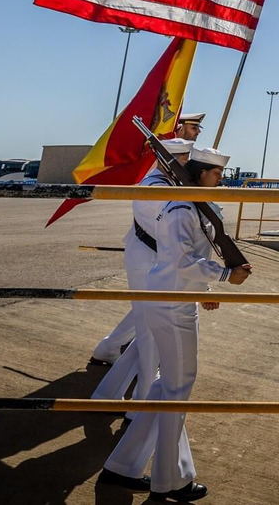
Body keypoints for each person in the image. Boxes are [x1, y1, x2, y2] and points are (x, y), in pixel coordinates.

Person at [100, 146, 251, 501]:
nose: (221, 180)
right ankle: (170, 482)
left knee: (166, 385)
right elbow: (184, 261)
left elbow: (183, 259)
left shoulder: (184, 203)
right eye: (216, 174)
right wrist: (226, 275)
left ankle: (122, 466)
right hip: (173, 303)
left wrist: (204, 286)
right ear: (199, 174)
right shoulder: (183, 208)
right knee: (178, 389)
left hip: (169, 297)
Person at [89, 111, 205, 387]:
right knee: (149, 326)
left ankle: (112, 356)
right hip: (148, 251)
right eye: (193, 127)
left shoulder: (173, 178)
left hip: (158, 256)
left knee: (149, 318)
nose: (198, 132)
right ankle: (144, 391)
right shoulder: (157, 181)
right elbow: (171, 224)